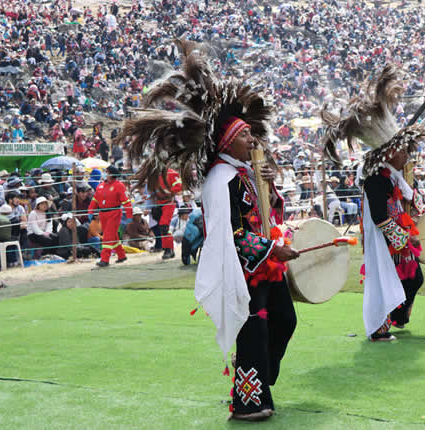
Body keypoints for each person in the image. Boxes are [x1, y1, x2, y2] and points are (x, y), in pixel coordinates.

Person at [117, 45, 299, 421]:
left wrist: (271, 187)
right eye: (246, 135)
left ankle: (262, 381)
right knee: (255, 329)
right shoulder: (221, 179)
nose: (254, 140)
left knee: (285, 321)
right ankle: (249, 402)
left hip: (266, 262)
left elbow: (271, 214)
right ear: (228, 140)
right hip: (244, 267)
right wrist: (269, 249)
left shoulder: (248, 172)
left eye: (253, 134)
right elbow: (229, 234)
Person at [321, 64, 425, 340]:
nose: (407, 155)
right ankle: (382, 326)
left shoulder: (391, 177)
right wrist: (406, 238)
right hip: (387, 242)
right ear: (390, 152)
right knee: (387, 281)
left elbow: (399, 207)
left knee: (413, 278)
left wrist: (412, 222)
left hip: (396, 241)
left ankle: (397, 316)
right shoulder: (377, 179)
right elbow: (381, 217)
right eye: (403, 150)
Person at [87, 165, 132, 267]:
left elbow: (125, 201)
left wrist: (129, 214)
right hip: (103, 214)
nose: (104, 174)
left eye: (106, 172)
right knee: (113, 236)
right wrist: (90, 210)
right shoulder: (100, 185)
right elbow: (95, 199)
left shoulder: (119, 185)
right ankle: (121, 255)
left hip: (114, 213)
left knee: (107, 236)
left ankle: (105, 259)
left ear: (111, 174)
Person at [152, 168, 182, 259]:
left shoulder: (172, 173)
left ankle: (168, 249)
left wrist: (167, 192)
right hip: (159, 204)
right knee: (163, 228)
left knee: (164, 226)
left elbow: (179, 186)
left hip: (169, 203)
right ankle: (169, 249)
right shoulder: (156, 174)